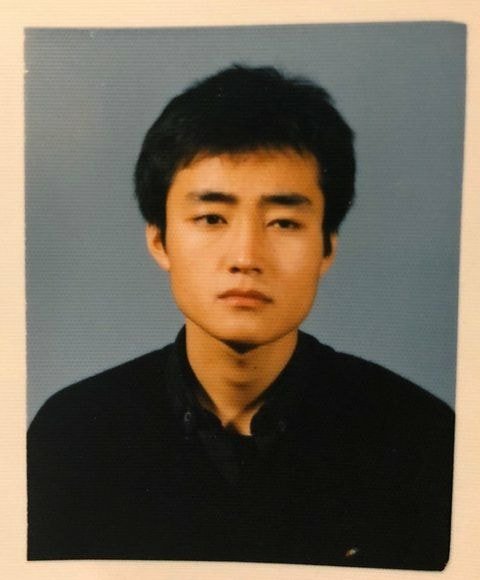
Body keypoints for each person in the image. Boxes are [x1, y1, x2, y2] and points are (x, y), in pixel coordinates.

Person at [27, 65, 454, 570]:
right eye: (212, 218)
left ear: (326, 247)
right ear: (160, 240)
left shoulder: (422, 440)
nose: (246, 257)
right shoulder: (72, 434)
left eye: (284, 222)